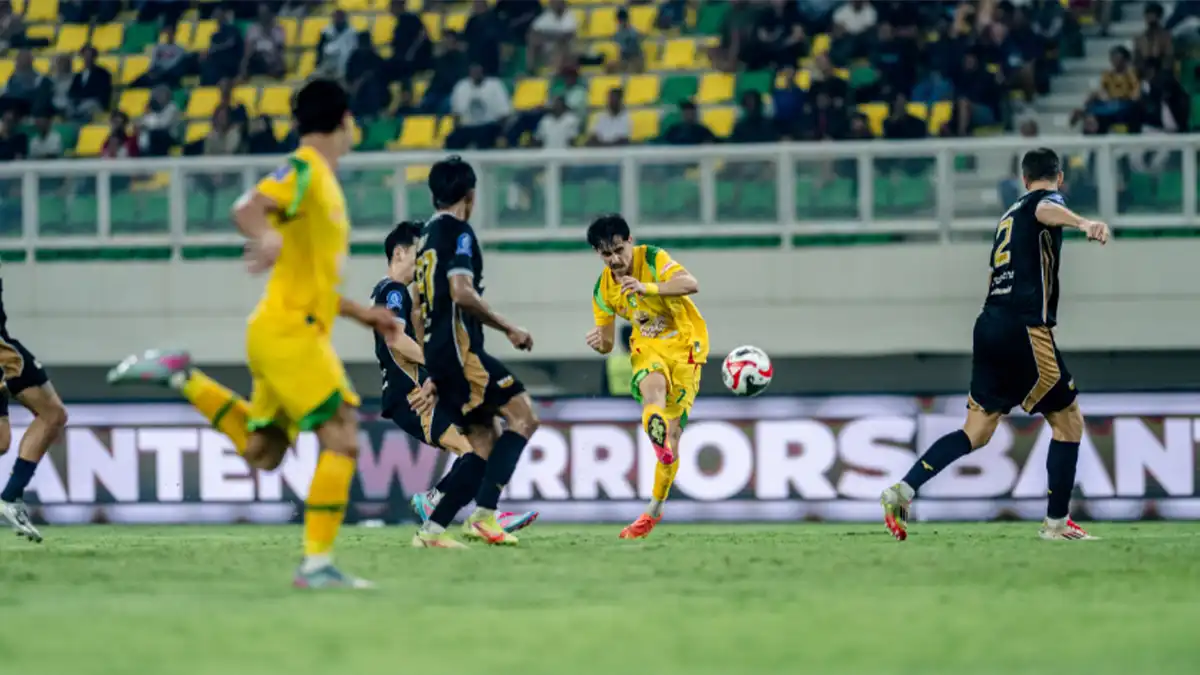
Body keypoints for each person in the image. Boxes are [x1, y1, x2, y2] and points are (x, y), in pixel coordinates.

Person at [107, 79, 397, 589]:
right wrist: (264, 234)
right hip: (290, 332)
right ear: (345, 119)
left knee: (263, 453)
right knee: (343, 436)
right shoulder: (306, 169)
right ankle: (316, 565)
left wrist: (362, 314)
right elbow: (247, 206)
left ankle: (182, 378)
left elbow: (314, 279)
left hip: (282, 328)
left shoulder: (323, 184)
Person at [880, 148, 1111, 543]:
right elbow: (1047, 210)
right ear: (1058, 178)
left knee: (977, 430)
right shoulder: (1044, 201)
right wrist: (1082, 222)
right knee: (1068, 421)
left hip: (988, 325)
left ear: (1023, 179)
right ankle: (1056, 524)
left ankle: (903, 489)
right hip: (1024, 326)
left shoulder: (1008, 215)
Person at [371, 221, 538, 546]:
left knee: (478, 448)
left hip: (410, 393)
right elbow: (396, 341)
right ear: (400, 252)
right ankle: (454, 508)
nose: (421, 263)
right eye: (417, 254)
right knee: (476, 450)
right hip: (410, 396)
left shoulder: (396, 294)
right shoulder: (392, 290)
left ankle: (464, 510)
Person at [411, 156, 540, 546]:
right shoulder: (459, 233)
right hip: (463, 355)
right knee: (523, 418)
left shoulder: (425, 241)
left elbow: (418, 307)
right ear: (470, 195)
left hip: (442, 354)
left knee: (484, 441)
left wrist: (430, 364)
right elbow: (461, 293)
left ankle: (432, 531)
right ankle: (484, 516)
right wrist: (509, 328)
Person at [584, 214, 708, 540]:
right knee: (652, 387)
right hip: (647, 348)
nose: (614, 260)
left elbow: (691, 284)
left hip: (686, 350)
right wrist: (600, 343)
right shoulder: (603, 290)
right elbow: (608, 342)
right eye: (605, 254)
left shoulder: (653, 258)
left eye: (618, 250)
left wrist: (646, 287)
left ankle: (652, 511)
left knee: (675, 437)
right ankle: (657, 439)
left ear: (630, 241)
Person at [0, 275, 70, 543]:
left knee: (2, 440)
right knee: (53, 414)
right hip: (4, 354)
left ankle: (11, 497)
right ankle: (11, 496)